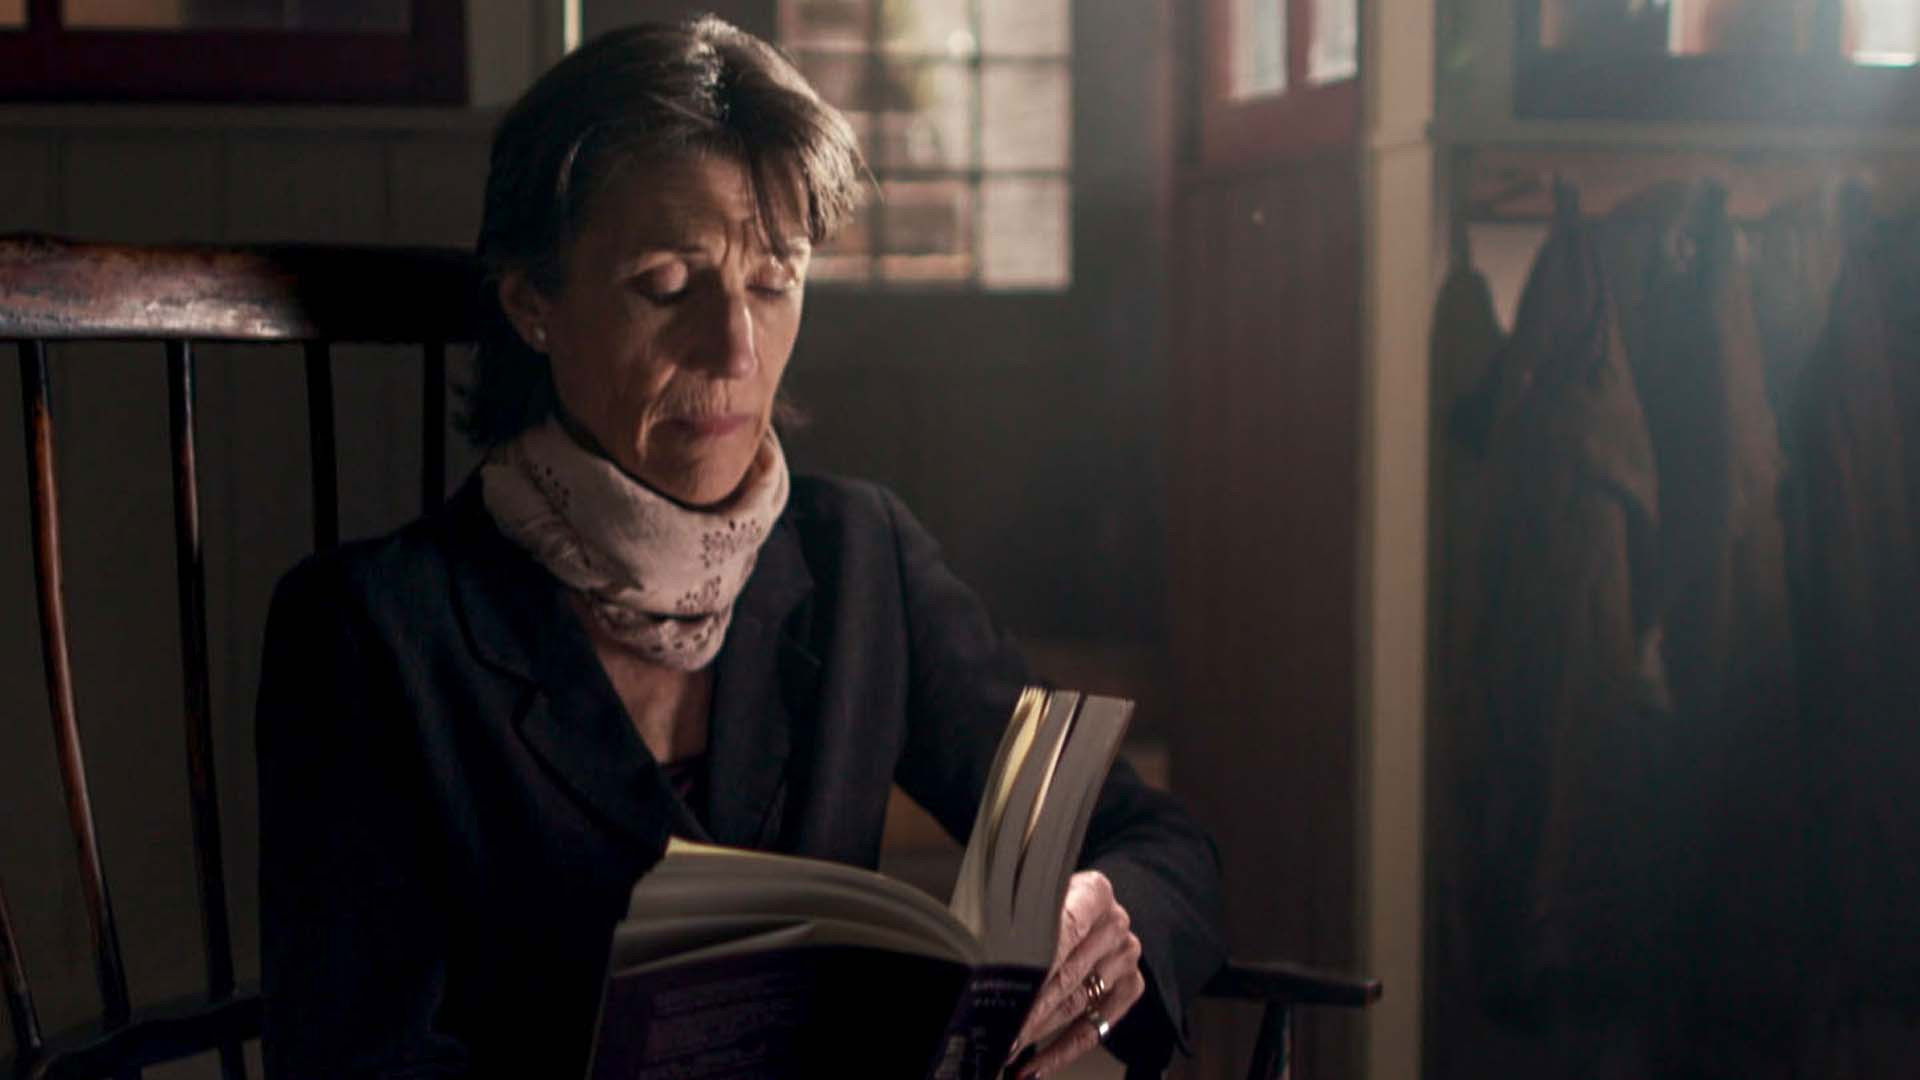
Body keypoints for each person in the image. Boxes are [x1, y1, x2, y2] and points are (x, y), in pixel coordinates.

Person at [256, 16, 1224, 1079]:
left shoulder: (861, 562)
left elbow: (1157, 842)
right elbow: (359, 1058)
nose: (735, 349)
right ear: (534, 301)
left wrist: (1103, 915)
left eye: (774, 281)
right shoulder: (375, 633)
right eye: (667, 287)